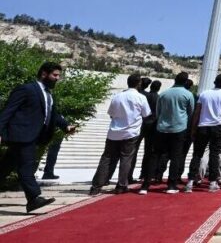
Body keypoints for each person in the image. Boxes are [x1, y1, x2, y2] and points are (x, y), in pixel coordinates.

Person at [0, 62, 76, 213]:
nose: (57, 78)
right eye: (55, 75)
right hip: (21, 135)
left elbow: (53, 114)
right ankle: (34, 199)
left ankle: (33, 198)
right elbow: (8, 111)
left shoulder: (48, 94)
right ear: (44, 74)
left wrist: (66, 126)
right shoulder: (26, 89)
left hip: (32, 136)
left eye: (59, 75)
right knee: (26, 167)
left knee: (5, 167)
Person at [89, 73, 151, 195]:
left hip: (114, 132)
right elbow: (146, 114)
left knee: (107, 158)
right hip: (131, 132)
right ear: (139, 83)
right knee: (126, 159)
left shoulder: (117, 96)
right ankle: (121, 185)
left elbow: (111, 113)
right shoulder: (141, 97)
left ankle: (96, 186)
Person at [139, 72, 194, 195]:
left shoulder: (164, 94)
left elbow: (158, 112)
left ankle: (145, 185)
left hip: (162, 128)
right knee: (176, 157)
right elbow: (190, 113)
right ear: (186, 81)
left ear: (175, 80)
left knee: (155, 156)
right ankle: (171, 185)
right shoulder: (188, 94)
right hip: (179, 129)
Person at [186, 74, 221, 193]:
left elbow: (197, 112)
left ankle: (190, 181)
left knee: (197, 154)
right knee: (214, 155)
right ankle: (212, 182)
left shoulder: (204, 94)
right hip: (217, 127)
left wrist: (193, 128)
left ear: (214, 82)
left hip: (203, 126)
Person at [127, 76, 152, 183]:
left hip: (134, 126)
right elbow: (147, 113)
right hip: (146, 126)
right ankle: (143, 174)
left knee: (132, 153)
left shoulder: (134, 94)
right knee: (147, 152)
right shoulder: (147, 96)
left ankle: (128, 175)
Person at [138, 80, 161, 182]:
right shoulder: (158, 98)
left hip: (142, 124)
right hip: (152, 126)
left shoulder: (144, 96)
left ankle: (139, 174)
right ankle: (145, 173)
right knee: (149, 152)